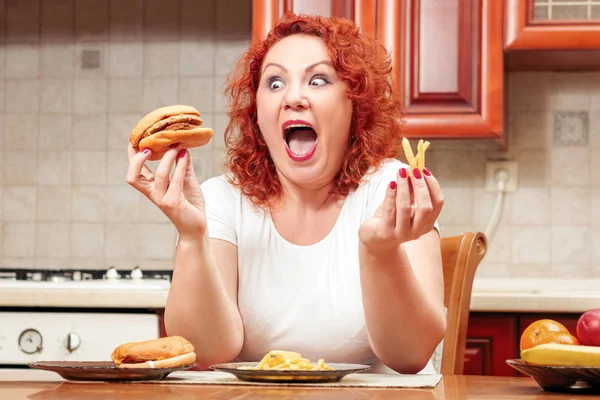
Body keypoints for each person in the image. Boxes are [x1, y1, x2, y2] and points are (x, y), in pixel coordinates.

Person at [126, 13, 445, 375]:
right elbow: (207, 351)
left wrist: (380, 252)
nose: (293, 97)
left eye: (318, 80)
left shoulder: (394, 191)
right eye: (275, 83)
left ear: (355, 104)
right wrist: (191, 237)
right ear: (258, 114)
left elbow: (411, 355)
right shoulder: (221, 201)